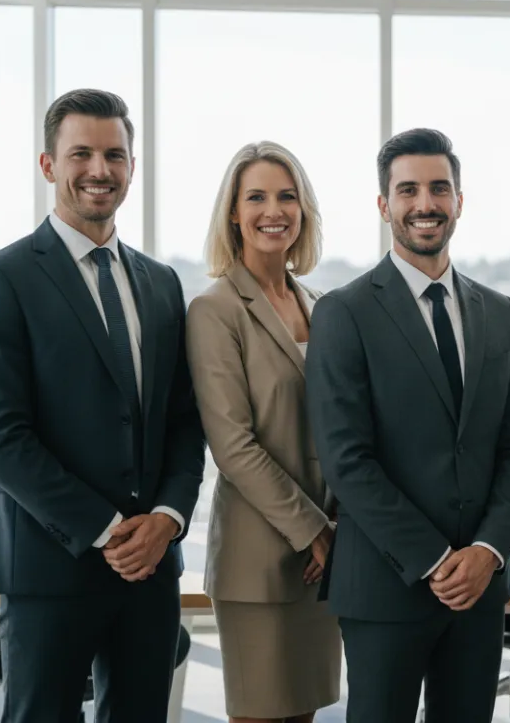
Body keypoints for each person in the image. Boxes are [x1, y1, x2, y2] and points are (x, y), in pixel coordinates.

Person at [0, 88, 205, 722]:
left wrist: (169, 518)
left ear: (131, 166)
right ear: (48, 165)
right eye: (82, 153)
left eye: (115, 154)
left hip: (151, 566)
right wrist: (105, 529)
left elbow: (182, 418)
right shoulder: (0, 278)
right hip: (49, 565)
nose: (100, 170)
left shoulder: (160, 282)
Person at [304, 128, 510, 722]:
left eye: (439, 188)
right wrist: (435, 560)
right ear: (384, 206)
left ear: (460, 200)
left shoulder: (500, 311)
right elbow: (346, 459)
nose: (425, 204)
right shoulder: (343, 312)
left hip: (481, 587)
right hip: (387, 586)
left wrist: (487, 550)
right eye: (407, 190)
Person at [185, 141, 341, 723]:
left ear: (304, 210)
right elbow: (232, 445)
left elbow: (345, 430)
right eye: (256, 197)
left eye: (286, 195)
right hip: (262, 557)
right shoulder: (215, 308)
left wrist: (337, 528)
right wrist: (312, 532)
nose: (273, 210)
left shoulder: (321, 305)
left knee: (304, 712)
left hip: (327, 553)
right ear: (233, 211)